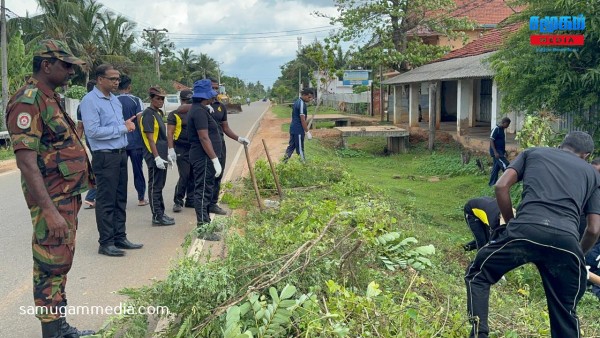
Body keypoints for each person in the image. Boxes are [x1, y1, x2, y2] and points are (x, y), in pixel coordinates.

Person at [465, 131, 600, 338]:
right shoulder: (593, 175)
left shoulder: (533, 153)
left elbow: (501, 187)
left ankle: (479, 334)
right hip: (567, 241)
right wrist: (576, 253)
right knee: (565, 310)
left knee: (478, 275)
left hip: (526, 230)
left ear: (560, 145)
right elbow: (593, 230)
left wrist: (511, 224)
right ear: (587, 156)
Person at [5, 39, 95, 337]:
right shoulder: (29, 100)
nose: (71, 72)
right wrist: (49, 210)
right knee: (50, 264)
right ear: (46, 65)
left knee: (61, 260)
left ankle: (59, 327)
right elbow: (26, 162)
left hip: (64, 196)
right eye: (65, 65)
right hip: (52, 200)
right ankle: (53, 332)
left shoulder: (49, 97)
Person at [80, 64, 143, 257]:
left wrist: (124, 128)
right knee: (106, 200)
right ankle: (105, 242)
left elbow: (118, 125)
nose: (116, 82)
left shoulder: (115, 101)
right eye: (112, 79)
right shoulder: (90, 101)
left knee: (120, 198)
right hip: (105, 156)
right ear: (100, 79)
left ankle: (119, 237)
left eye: (117, 79)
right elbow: (93, 132)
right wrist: (123, 128)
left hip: (120, 153)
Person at [208, 78, 250, 215]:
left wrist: (239, 138)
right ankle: (203, 204)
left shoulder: (220, 106)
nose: (214, 91)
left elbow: (225, 127)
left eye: (216, 88)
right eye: (212, 88)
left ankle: (213, 203)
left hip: (220, 144)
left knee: (218, 175)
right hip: (205, 146)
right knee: (206, 176)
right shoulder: (197, 106)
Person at [188, 79, 222, 241]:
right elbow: (203, 137)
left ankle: (206, 222)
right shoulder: (199, 111)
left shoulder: (201, 109)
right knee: (202, 191)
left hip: (205, 157)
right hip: (204, 157)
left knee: (206, 190)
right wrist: (214, 159)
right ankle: (203, 228)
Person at [140, 86, 175, 226]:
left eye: (162, 99)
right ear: (151, 98)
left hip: (162, 153)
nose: (160, 101)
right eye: (157, 98)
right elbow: (150, 139)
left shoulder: (158, 113)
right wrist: (156, 157)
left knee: (160, 185)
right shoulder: (148, 114)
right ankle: (157, 216)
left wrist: (167, 153)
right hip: (154, 155)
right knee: (155, 186)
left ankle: (161, 212)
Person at [117, 74, 148, 207]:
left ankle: (120, 200)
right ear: (129, 87)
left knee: (120, 173)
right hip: (135, 142)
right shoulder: (136, 100)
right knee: (138, 170)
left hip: (119, 142)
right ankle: (141, 198)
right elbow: (140, 121)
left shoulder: (113, 100)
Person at [167, 90, 195, 212]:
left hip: (194, 147)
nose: (188, 103)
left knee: (194, 174)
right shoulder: (174, 114)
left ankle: (191, 200)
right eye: (186, 100)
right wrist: (171, 149)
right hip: (181, 147)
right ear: (181, 100)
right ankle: (178, 201)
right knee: (184, 175)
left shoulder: (195, 113)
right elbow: (170, 132)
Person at [76, 80, 97, 209]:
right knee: (100, 168)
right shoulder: (93, 102)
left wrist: (77, 145)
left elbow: (80, 128)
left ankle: (93, 196)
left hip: (89, 140)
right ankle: (91, 196)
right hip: (97, 140)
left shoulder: (81, 104)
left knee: (97, 166)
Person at [283, 88, 313, 162]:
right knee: (300, 149)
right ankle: (303, 165)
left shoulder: (297, 102)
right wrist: (307, 131)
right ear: (304, 95)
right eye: (309, 97)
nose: (310, 99)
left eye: (311, 97)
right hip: (298, 130)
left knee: (291, 147)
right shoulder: (301, 104)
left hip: (293, 128)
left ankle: (283, 162)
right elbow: (302, 119)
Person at [488, 117, 511, 186]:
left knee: (496, 168)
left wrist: (504, 151)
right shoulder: (496, 129)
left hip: (500, 151)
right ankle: (507, 182)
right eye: (507, 124)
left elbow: (501, 142)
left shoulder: (502, 130)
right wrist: (495, 152)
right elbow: (491, 140)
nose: (508, 126)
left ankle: (492, 184)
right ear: (503, 123)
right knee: (506, 164)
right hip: (497, 152)